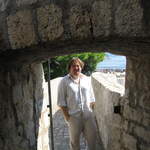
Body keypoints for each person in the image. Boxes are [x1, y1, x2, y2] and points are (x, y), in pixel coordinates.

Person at [57, 57, 97, 150]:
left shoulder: (86, 79)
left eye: (78, 66)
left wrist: (91, 112)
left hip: (88, 116)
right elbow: (61, 102)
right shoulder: (64, 82)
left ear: (81, 67)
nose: (76, 68)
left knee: (92, 140)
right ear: (69, 68)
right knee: (75, 143)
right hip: (74, 117)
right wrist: (68, 118)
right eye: (73, 66)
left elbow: (92, 98)